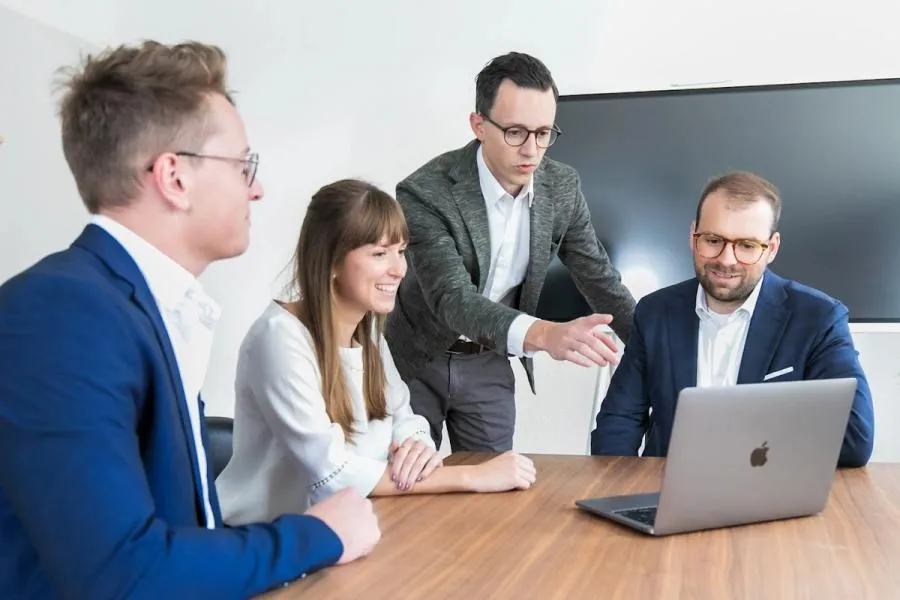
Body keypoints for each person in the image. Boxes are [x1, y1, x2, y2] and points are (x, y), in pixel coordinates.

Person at [0, 41, 380, 600]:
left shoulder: (145, 309)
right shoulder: (60, 314)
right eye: (243, 164)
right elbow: (122, 574)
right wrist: (317, 535)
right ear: (174, 177)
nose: (258, 187)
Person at [216, 179, 537, 523]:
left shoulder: (367, 334)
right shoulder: (279, 338)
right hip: (267, 539)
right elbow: (332, 474)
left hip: (348, 527)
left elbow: (404, 417)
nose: (399, 269)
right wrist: (472, 475)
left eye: (400, 251)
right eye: (380, 253)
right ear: (331, 261)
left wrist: (416, 446)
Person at [385, 52, 636, 453]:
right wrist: (545, 334)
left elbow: (599, 278)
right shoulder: (424, 192)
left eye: (543, 133)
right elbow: (453, 299)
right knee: (409, 489)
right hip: (417, 360)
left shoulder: (562, 187)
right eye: (516, 132)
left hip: (489, 358)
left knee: (497, 489)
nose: (532, 150)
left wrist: (653, 346)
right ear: (479, 125)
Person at [590, 171, 875, 468]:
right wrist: (619, 491)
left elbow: (854, 440)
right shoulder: (655, 313)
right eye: (714, 240)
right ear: (693, 236)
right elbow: (619, 422)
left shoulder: (819, 318)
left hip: (769, 493)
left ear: (772, 248)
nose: (727, 259)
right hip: (665, 493)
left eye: (747, 246)